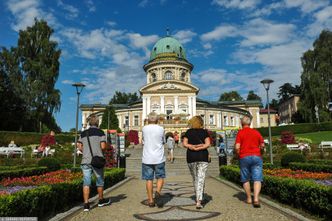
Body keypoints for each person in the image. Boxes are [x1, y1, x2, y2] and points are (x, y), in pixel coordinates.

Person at [77, 115, 110, 212]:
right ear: (97, 122)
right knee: (99, 181)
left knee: (86, 182)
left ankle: (86, 204)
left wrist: (85, 151)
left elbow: (79, 146)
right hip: (97, 161)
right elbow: (103, 146)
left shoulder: (83, 133)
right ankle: (100, 200)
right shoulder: (100, 132)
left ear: (89, 123)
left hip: (85, 160)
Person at [235, 116, 264, 208]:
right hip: (256, 156)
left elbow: (237, 147)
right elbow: (262, 145)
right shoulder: (256, 132)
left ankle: (248, 198)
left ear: (241, 124)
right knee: (257, 178)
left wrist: (238, 155)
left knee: (245, 178)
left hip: (244, 157)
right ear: (250, 123)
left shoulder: (240, 133)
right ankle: (256, 199)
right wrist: (260, 152)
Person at [182, 116, 210, 209]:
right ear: (201, 122)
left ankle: (198, 198)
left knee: (195, 178)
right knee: (201, 178)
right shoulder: (204, 132)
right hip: (202, 156)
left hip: (191, 156)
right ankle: (199, 201)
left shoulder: (188, 132)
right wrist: (200, 147)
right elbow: (207, 144)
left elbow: (184, 143)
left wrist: (191, 147)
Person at [142, 112, 166, 208]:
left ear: (148, 120)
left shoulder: (144, 128)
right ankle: (158, 192)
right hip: (159, 157)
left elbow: (143, 141)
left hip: (147, 158)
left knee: (149, 179)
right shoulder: (161, 129)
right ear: (157, 120)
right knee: (160, 177)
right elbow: (163, 141)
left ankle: (151, 201)